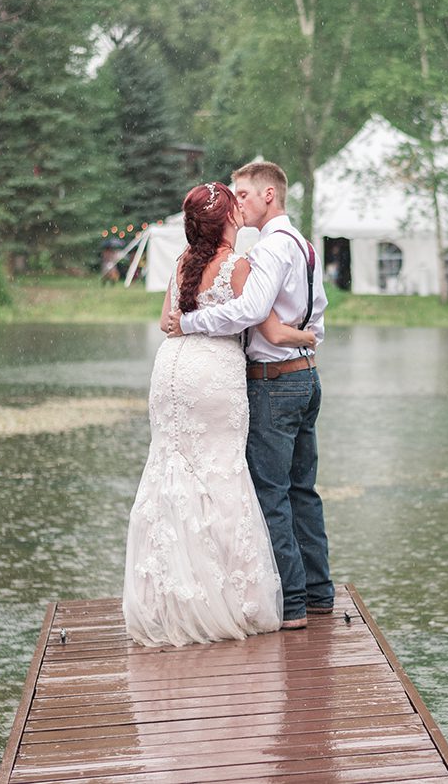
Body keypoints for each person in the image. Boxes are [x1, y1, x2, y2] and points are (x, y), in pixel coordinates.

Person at [123, 181, 316, 647]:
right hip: (212, 373)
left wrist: (186, 323)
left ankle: (168, 597)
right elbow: (263, 323)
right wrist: (306, 338)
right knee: (221, 472)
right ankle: (227, 599)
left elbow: (165, 322)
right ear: (229, 219)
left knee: (171, 468)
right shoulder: (238, 266)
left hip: (171, 370)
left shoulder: (181, 263)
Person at [166, 160, 332, 631]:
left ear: (268, 197)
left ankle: (295, 604)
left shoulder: (269, 251)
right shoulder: (303, 246)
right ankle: (319, 594)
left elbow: (251, 310)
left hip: (274, 383)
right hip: (305, 377)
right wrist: (299, 337)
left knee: (272, 493)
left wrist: (191, 323)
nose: (236, 202)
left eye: (242, 193)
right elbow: (317, 317)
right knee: (302, 491)